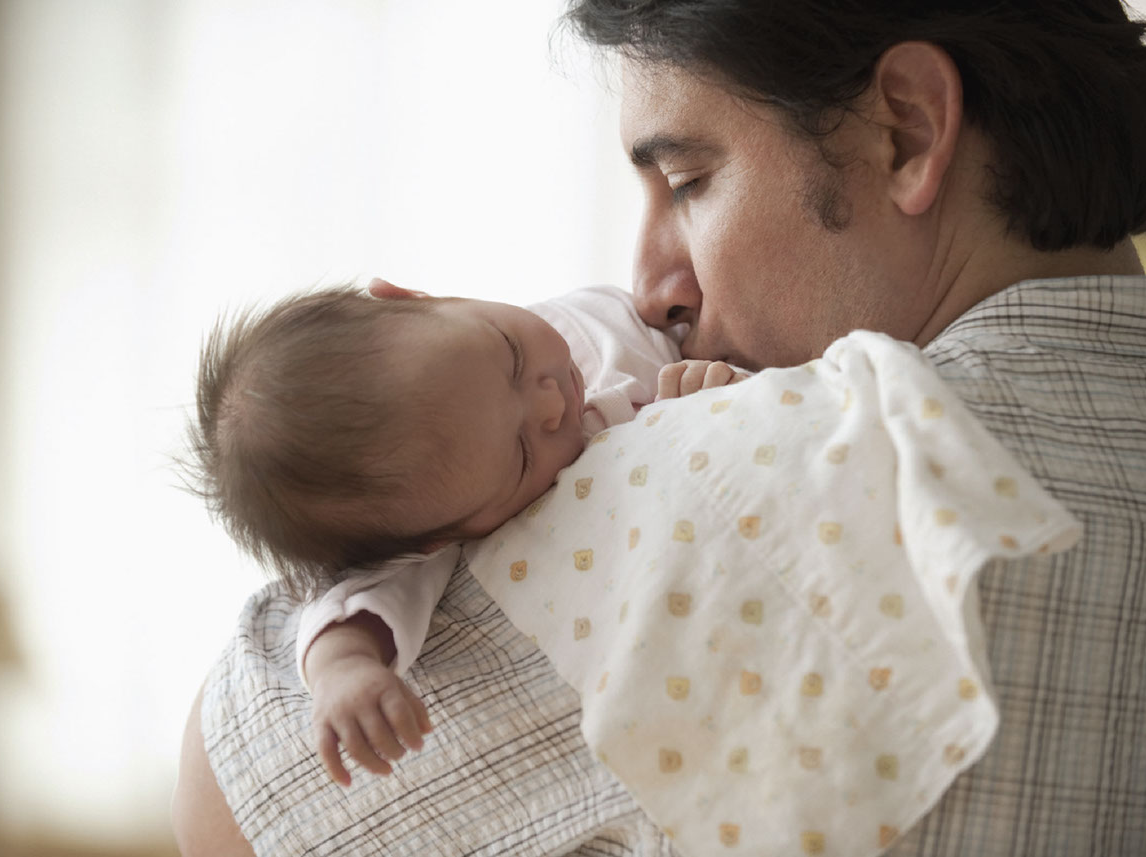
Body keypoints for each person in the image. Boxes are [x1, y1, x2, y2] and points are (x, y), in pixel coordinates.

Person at [173, 2, 1146, 855]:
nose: (652, 288)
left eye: (689, 181)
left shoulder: (750, 467)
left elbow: (234, 779)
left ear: (906, 132)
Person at [185, 279, 745, 785]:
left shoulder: (595, 321)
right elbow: (353, 603)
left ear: (415, 296)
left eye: (511, 353)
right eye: (523, 455)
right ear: (439, 539)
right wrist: (342, 671)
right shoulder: (451, 535)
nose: (552, 401)